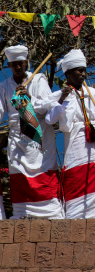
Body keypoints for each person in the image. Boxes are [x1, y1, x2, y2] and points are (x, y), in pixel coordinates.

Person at [45, 50, 95, 219]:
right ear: (69, 73)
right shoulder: (59, 95)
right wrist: (60, 101)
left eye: (84, 70)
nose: (83, 74)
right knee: (79, 180)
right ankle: (79, 217)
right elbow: (50, 120)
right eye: (79, 70)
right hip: (75, 142)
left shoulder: (93, 93)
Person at [0, 45, 63, 218]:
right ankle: (21, 212)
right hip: (16, 138)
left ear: (26, 63)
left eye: (21, 63)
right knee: (18, 174)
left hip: (39, 136)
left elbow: (48, 106)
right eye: (14, 65)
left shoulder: (39, 80)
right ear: (10, 66)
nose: (18, 67)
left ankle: (51, 212)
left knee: (44, 174)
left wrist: (29, 98)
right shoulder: (4, 86)